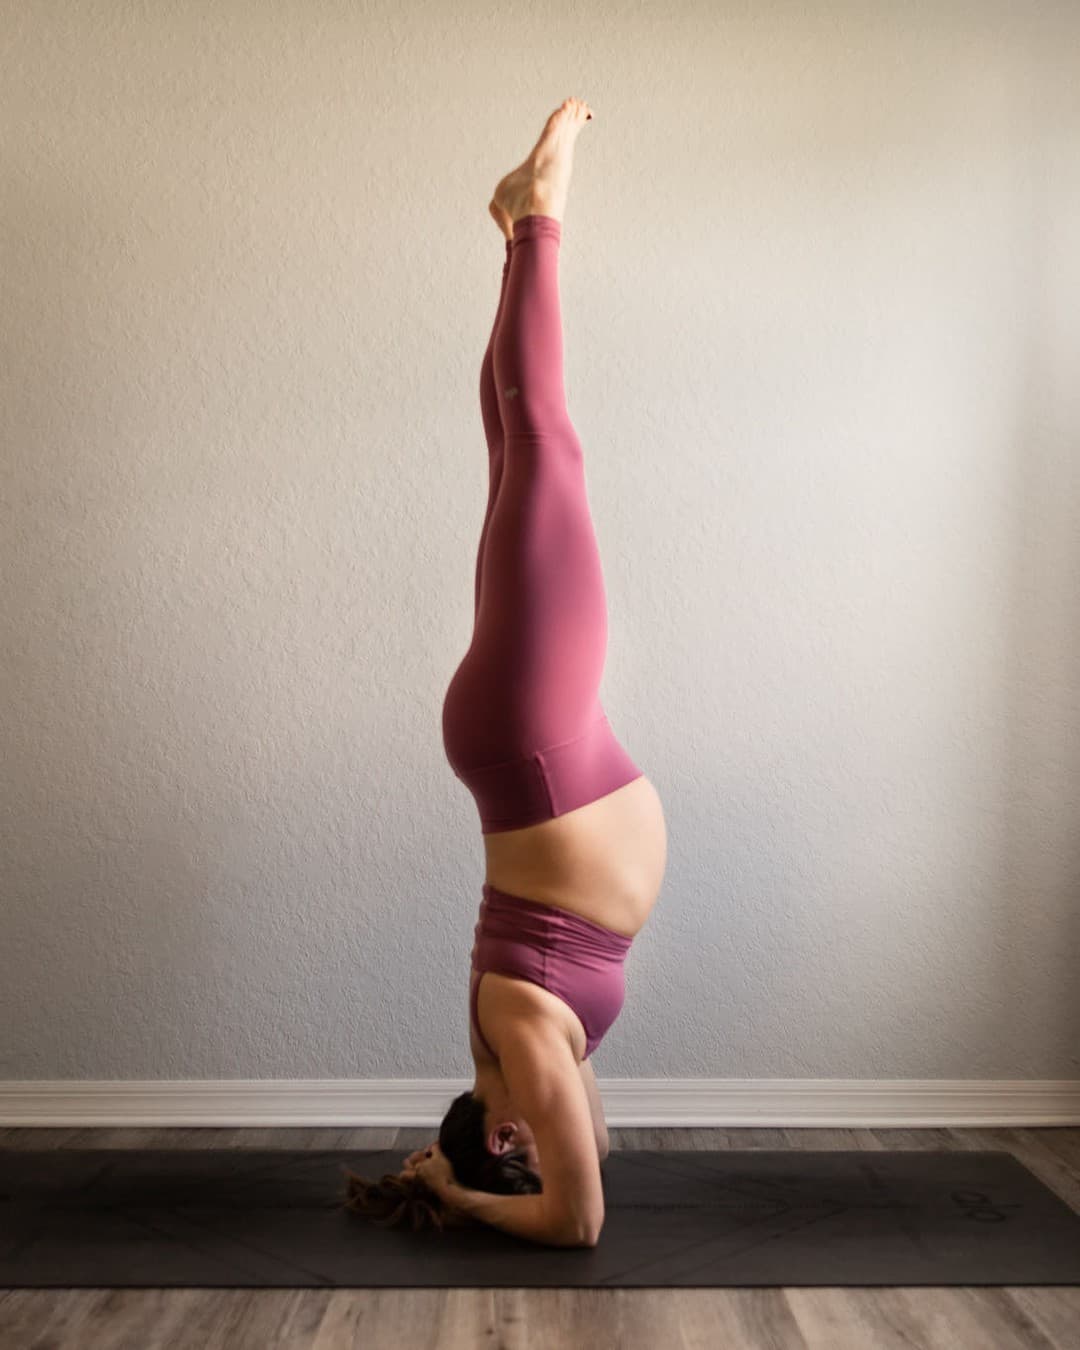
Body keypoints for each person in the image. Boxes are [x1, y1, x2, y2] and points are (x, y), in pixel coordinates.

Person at [345, 97, 668, 1247]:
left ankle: (540, 217)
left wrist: (449, 1191)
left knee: (547, 445)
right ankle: (515, 228)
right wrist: (465, 1167)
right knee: (521, 448)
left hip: (538, 741)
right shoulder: (527, 1055)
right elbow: (597, 1159)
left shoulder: (522, 1039)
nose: (563, 1128)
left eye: (526, 1138)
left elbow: (578, 1226)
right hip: (536, 744)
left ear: (510, 1132)